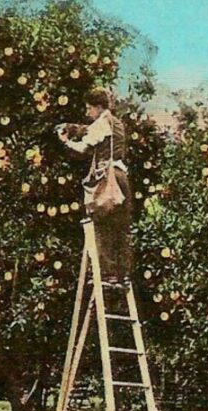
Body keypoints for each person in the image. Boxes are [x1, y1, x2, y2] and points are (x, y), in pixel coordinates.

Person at [57, 87, 134, 285]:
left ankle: (107, 273)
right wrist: (74, 127)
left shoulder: (101, 123)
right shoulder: (116, 123)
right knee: (121, 227)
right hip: (122, 177)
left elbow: (83, 147)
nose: (87, 112)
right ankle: (122, 274)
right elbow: (90, 129)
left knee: (101, 222)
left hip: (109, 179)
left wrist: (65, 141)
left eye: (89, 108)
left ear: (99, 107)